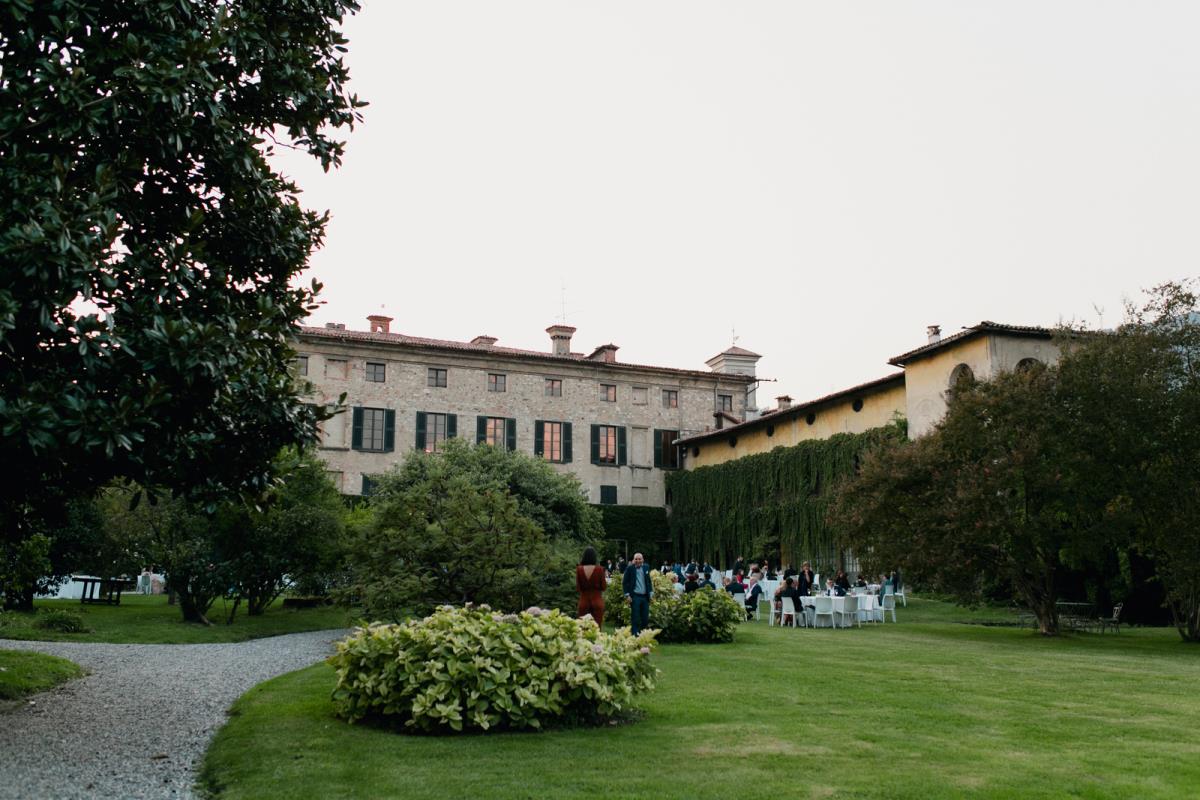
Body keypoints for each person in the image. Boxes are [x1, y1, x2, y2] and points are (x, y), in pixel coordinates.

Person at [622, 552, 653, 635]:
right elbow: (625, 582)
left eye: (639, 559)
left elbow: (648, 581)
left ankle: (643, 636)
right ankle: (635, 636)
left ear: (642, 559)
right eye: (636, 559)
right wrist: (627, 595)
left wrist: (651, 592)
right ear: (633, 560)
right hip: (635, 596)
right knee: (635, 618)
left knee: (645, 618)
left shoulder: (646, 567)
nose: (638, 560)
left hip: (645, 597)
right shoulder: (630, 568)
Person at [576, 546, 607, 627]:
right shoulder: (600, 569)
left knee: (582, 628)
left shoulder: (579, 569)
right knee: (597, 628)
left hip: (584, 601)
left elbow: (578, 587)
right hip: (597, 601)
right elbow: (604, 587)